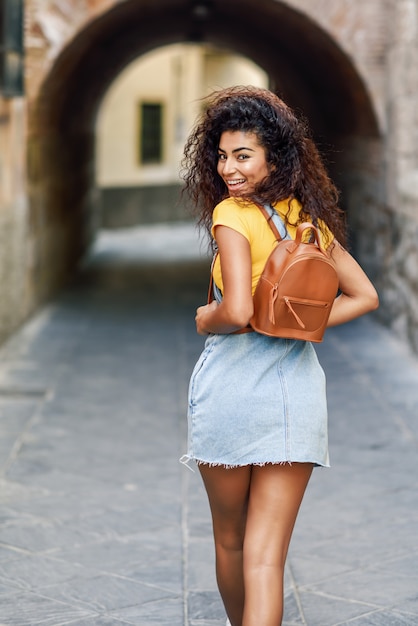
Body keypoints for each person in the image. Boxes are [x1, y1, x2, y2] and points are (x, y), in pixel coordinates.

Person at [180, 86, 379, 626]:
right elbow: (365, 297)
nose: (228, 168)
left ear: (274, 157)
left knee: (230, 542)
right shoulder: (308, 219)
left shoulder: (230, 213)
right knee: (268, 560)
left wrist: (206, 317)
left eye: (243, 155)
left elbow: (237, 310)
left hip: (232, 393)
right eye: (222, 156)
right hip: (294, 397)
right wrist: (295, 324)